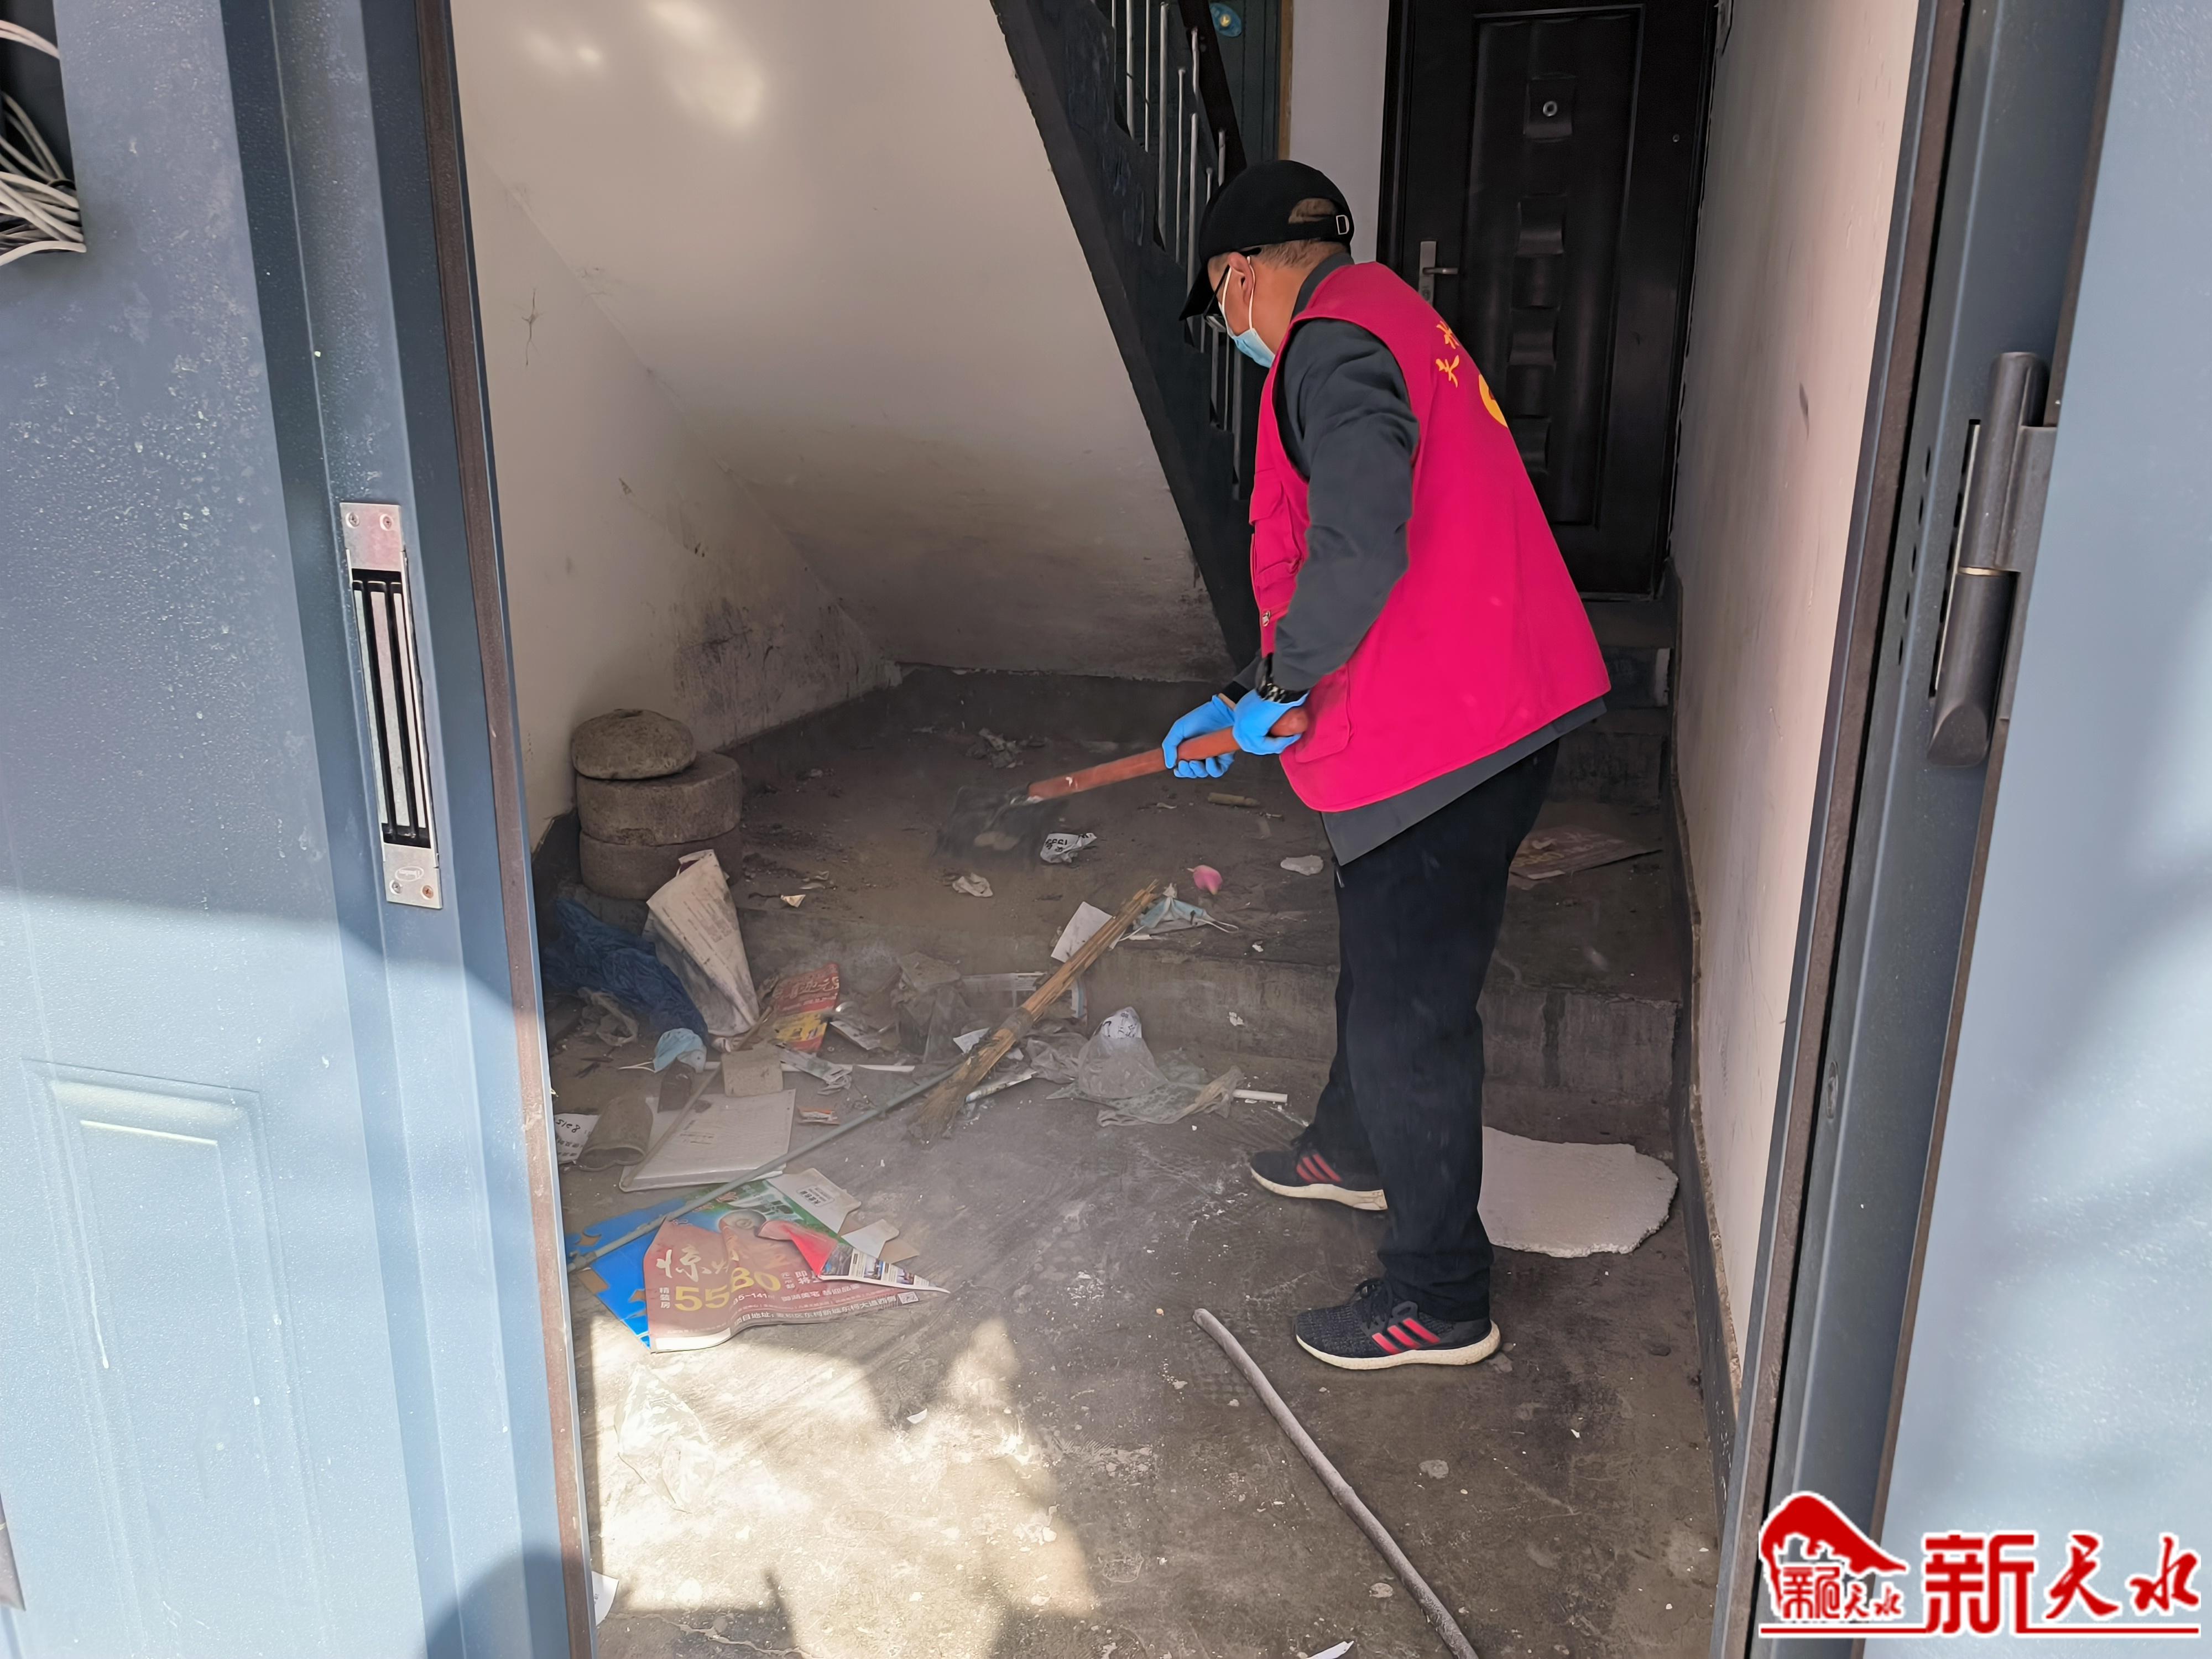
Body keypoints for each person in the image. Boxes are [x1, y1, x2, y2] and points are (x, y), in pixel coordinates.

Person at [1160, 160, 1610, 1371]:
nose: (1236, 329)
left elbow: (1359, 541)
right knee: (1384, 970)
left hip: (1443, 736)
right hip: (1480, 703)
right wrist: (1254, 690)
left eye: (1224, 304)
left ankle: (1438, 1294)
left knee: (1412, 1021)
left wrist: (1276, 691)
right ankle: (1352, 1148)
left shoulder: (1328, 348)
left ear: (1237, 276)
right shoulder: (1399, 320)